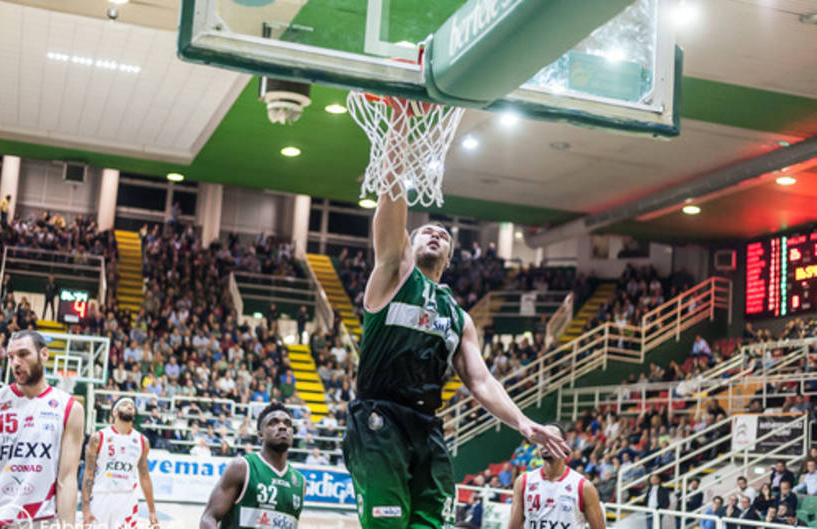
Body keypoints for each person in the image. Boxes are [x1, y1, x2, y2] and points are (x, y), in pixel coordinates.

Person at [344, 120, 569, 529]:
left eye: (444, 236)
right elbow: (392, 196)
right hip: (379, 418)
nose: (435, 234)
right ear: (407, 245)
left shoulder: (459, 316)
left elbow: (481, 381)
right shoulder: (392, 275)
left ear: (449, 258)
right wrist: (398, 129)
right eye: (426, 232)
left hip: (427, 425)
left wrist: (523, 422)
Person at [0, 330, 85, 527]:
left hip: (41, 520)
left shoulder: (70, 408)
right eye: (11, 357)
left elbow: (66, 480)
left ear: (44, 355)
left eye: (23, 354)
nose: (15, 362)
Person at [199, 402, 305, 529]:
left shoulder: (300, 482)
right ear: (260, 435)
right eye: (273, 423)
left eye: (287, 424)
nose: (282, 427)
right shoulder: (242, 467)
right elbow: (208, 518)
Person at [508, 423, 604, 529]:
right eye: (542, 439)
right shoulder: (523, 482)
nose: (545, 443)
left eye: (551, 438)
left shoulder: (584, 487)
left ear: (564, 445)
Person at [82, 397, 158, 529]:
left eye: (132, 405)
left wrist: (152, 511)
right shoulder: (98, 437)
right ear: (114, 412)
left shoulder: (142, 441)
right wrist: (85, 508)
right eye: (124, 404)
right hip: (101, 496)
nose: (130, 406)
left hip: (127, 499)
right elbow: (88, 474)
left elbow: (145, 476)